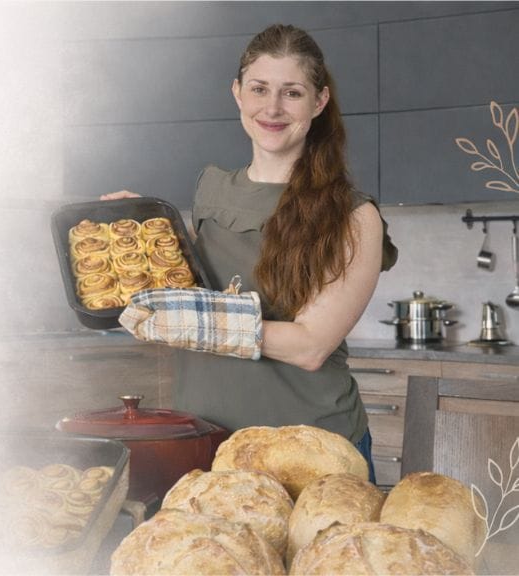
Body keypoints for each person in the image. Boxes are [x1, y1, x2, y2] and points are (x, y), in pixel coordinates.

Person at [101, 24, 398, 483]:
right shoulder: (212, 187)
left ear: (318, 102)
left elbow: (311, 346)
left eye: (292, 93)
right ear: (238, 93)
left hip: (310, 451)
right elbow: (190, 286)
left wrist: (191, 324)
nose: (272, 108)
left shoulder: (354, 215)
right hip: (204, 442)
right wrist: (138, 229)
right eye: (259, 89)